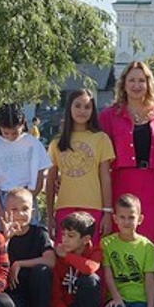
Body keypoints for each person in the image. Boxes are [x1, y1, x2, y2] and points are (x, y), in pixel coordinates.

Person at [99, 60, 154, 247]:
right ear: (123, 84)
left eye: (141, 80)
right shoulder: (109, 115)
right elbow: (98, 155)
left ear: (149, 83)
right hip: (122, 183)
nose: (136, 85)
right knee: (124, 237)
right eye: (131, 80)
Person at [47, 89, 115, 240]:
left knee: (91, 257)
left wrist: (108, 212)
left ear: (93, 110)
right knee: (64, 255)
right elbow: (50, 181)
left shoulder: (101, 139)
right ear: (69, 108)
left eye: (87, 107)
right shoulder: (56, 143)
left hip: (93, 208)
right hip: (65, 207)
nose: (82, 111)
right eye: (77, 106)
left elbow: (105, 178)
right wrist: (50, 215)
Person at [101, 193, 154, 307]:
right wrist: (116, 297)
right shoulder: (107, 244)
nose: (126, 222)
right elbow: (108, 275)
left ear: (140, 219)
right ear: (115, 219)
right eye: (122, 217)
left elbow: (149, 282)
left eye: (131, 217)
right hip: (119, 299)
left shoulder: (148, 247)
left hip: (141, 301)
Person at [0, 102, 51, 228]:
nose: (10, 137)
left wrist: (25, 202)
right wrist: (0, 213)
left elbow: (40, 178)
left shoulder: (33, 144)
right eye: (6, 133)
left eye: (14, 132)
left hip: (27, 198)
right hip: (1, 199)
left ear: (23, 123)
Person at [2, 187, 55, 307]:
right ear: (6, 212)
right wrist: (6, 239)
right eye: (14, 209)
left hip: (37, 292)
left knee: (42, 271)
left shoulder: (39, 233)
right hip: (14, 293)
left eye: (25, 209)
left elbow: (51, 261)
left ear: (32, 212)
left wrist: (19, 263)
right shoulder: (1, 236)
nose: (20, 214)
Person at [48, 212, 102, 307]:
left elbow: (90, 268)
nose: (64, 240)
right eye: (64, 234)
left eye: (70, 236)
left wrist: (67, 256)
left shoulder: (94, 251)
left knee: (91, 280)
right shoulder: (56, 256)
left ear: (85, 239)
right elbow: (55, 300)